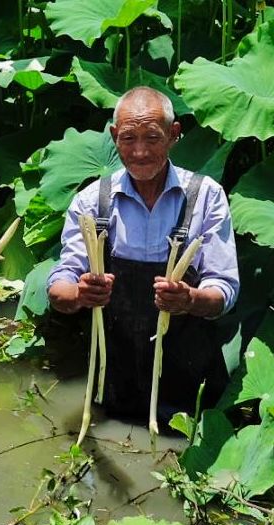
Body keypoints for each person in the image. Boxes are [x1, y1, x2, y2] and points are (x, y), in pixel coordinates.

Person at [47, 87, 239, 421]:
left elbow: (225, 289)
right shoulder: (93, 202)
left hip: (190, 384)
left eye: (152, 138)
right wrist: (79, 294)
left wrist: (190, 300)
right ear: (114, 136)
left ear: (174, 134)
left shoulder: (205, 197)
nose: (139, 152)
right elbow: (59, 285)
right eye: (128, 138)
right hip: (114, 379)